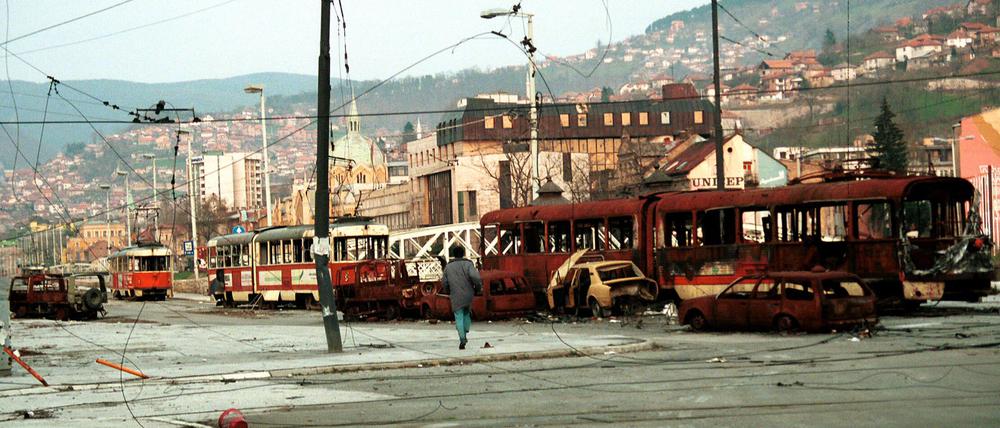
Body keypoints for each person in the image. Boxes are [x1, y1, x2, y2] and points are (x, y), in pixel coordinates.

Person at [441, 246, 482, 350]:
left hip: (455, 294)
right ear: (463, 253)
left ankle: (462, 338)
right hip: (468, 293)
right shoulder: (468, 264)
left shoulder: (448, 267)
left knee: (458, 316)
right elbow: (476, 277)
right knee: (467, 312)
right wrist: (478, 287)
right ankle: (466, 329)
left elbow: (444, 282)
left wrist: (447, 290)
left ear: (453, 254)